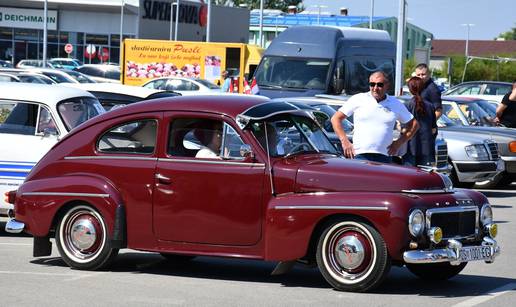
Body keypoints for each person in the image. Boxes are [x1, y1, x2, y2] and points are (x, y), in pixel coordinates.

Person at [331, 71, 419, 163]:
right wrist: (344, 141)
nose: (375, 88)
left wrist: (399, 142)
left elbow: (414, 125)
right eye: (372, 84)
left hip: (385, 155)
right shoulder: (358, 99)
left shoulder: (395, 103)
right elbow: (335, 119)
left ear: (387, 85)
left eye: (379, 85)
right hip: (360, 154)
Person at [402, 77, 437, 166]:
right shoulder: (430, 106)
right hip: (427, 149)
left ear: (410, 89)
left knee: (409, 177)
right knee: (424, 178)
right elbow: (433, 130)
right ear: (423, 88)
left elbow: (404, 130)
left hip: (410, 148)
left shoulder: (407, 105)